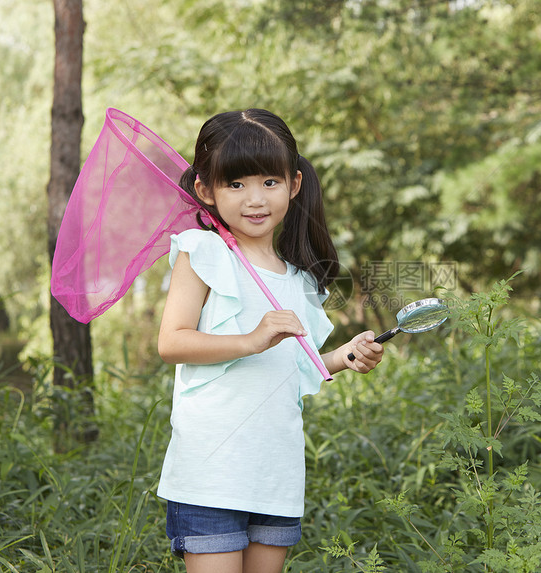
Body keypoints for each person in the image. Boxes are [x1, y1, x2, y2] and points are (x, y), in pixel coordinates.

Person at [156, 109, 384, 573]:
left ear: (294, 184)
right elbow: (172, 342)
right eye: (235, 185)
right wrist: (251, 340)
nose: (254, 199)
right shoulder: (204, 252)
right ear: (206, 190)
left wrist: (343, 356)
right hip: (211, 471)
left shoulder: (298, 279)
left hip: (274, 471)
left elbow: (293, 368)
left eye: (269, 182)